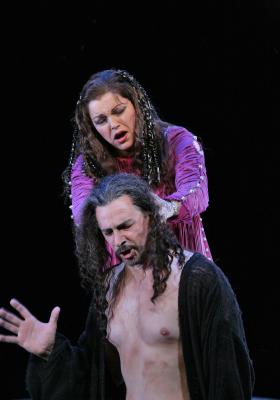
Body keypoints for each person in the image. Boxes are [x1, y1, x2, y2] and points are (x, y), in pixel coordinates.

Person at [0, 173, 254, 400]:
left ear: (151, 217)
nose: (118, 240)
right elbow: (93, 378)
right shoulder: (109, 288)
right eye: (108, 232)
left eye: (125, 226)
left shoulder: (197, 279)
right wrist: (50, 351)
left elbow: (228, 373)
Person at [62, 68, 212, 267]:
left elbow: (197, 191)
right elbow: (84, 214)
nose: (113, 124)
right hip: (128, 280)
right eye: (101, 120)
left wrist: (167, 208)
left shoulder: (178, 141)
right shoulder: (87, 165)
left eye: (118, 111)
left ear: (136, 105)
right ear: (92, 128)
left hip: (186, 269)